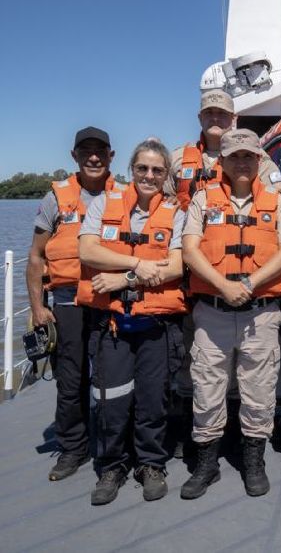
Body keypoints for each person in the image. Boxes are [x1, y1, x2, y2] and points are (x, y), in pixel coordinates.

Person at [180, 129, 281, 499]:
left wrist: (248, 283)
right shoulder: (202, 199)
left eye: (249, 156)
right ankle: (207, 464)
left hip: (260, 313)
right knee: (207, 388)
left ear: (259, 160)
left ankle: (253, 460)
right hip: (212, 311)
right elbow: (189, 249)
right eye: (235, 157)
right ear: (223, 162)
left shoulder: (277, 201)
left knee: (259, 390)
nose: (242, 162)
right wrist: (221, 284)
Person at [166, 88, 281, 458]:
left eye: (222, 114)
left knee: (255, 374)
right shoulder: (176, 160)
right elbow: (161, 204)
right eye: (209, 113)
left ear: (234, 118)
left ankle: (248, 446)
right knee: (200, 369)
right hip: (194, 279)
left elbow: (279, 222)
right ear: (200, 118)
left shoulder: (263, 164)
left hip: (252, 287)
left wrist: (249, 282)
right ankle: (201, 443)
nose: (215, 118)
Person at [77, 138, 187, 505]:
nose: (149, 176)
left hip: (155, 325)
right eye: (143, 168)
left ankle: (150, 463)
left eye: (157, 170)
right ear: (131, 170)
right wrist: (138, 265)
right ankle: (111, 465)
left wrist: (122, 278)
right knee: (110, 398)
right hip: (111, 325)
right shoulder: (102, 204)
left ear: (166, 174)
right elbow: (88, 250)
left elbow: (175, 266)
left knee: (153, 399)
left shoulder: (175, 212)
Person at [25, 127, 120, 482]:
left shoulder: (123, 196)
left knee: (116, 376)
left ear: (111, 156)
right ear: (74, 156)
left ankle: (114, 442)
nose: (93, 157)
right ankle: (72, 448)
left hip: (110, 297)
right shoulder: (55, 199)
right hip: (66, 302)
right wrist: (37, 308)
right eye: (86, 151)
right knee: (70, 377)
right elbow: (35, 258)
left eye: (100, 151)